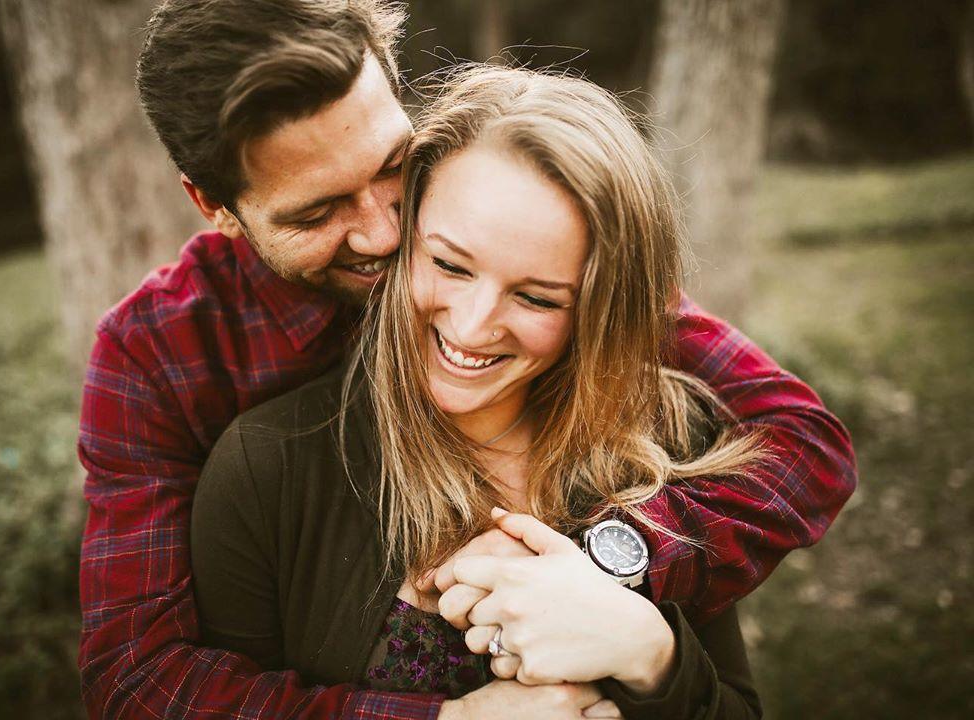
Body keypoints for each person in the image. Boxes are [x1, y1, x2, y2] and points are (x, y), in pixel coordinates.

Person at [77, 1, 857, 718]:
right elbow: (140, 680)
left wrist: (607, 575)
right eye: (318, 212)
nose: (385, 235)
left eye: (392, 167)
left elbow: (802, 440)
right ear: (212, 206)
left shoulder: (495, 237)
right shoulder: (166, 360)